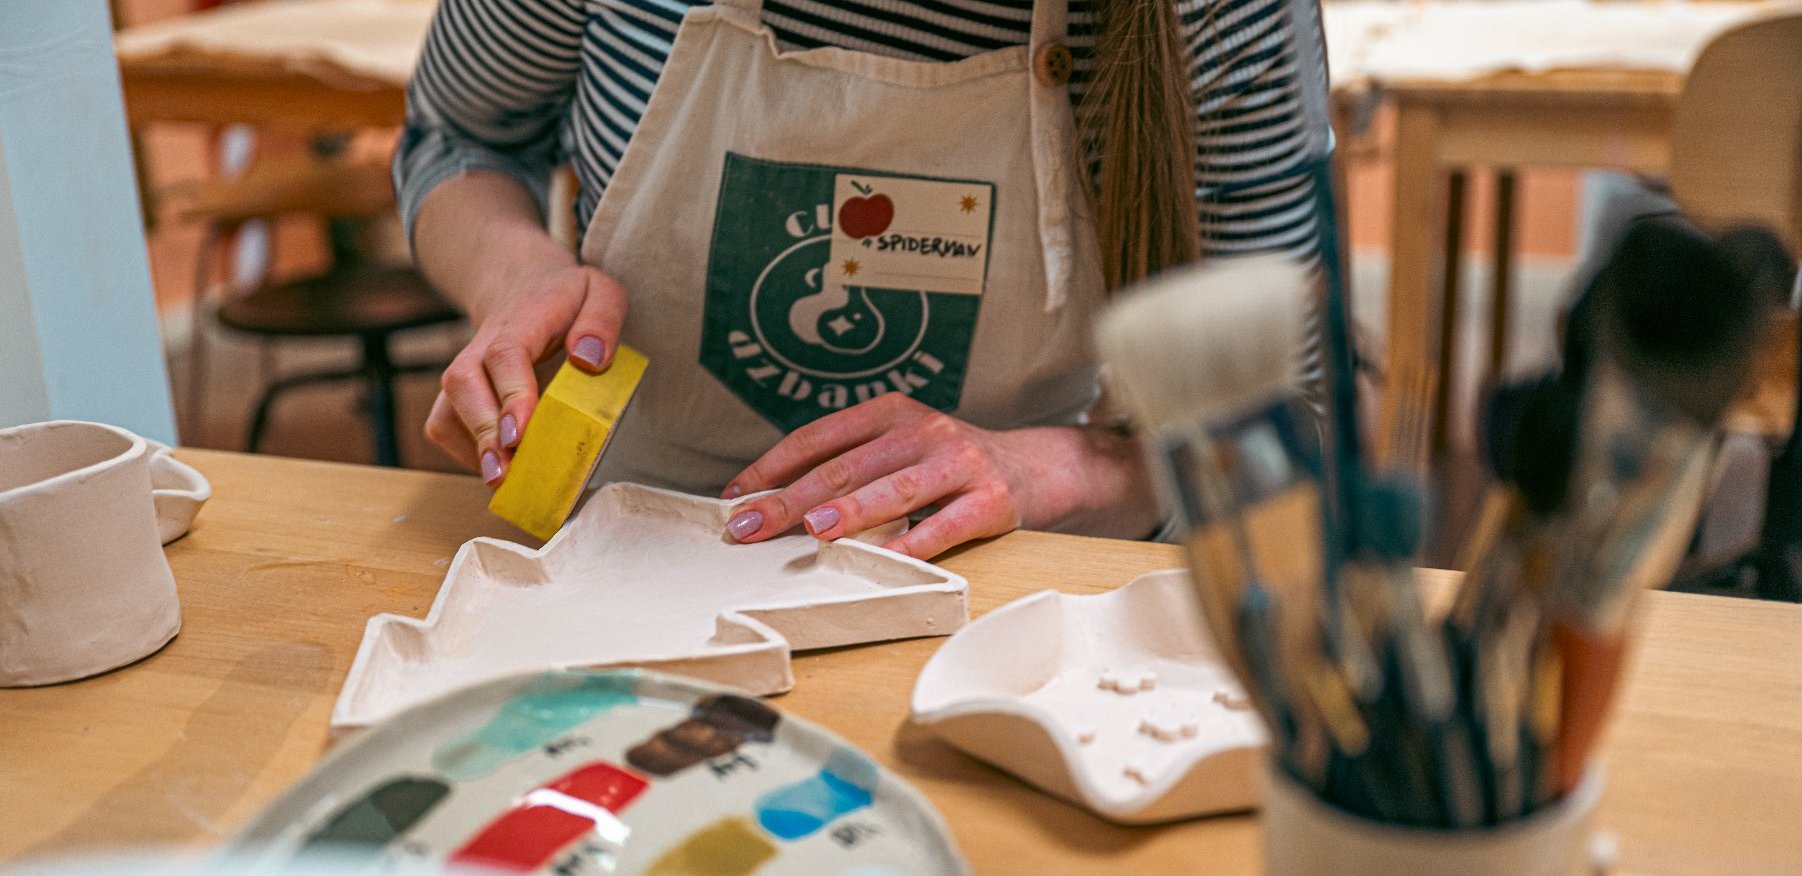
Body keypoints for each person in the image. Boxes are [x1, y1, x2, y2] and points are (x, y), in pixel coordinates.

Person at [398, 0, 1328, 559]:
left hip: (995, 594)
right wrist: (512, 271)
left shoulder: (1220, 18)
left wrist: (1068, 468)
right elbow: (460, 135)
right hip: (619, 553)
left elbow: (1290, 427)